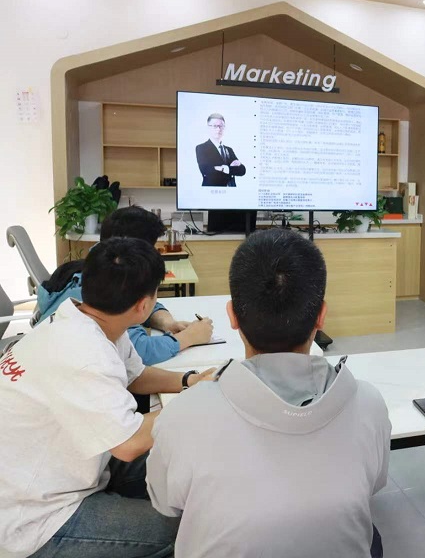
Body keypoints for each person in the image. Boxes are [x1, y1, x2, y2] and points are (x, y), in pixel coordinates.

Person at [147, 229, 391, 557]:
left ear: (232, 316)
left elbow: (165, 502)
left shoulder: (183, 415)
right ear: (321, 316)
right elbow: (375, 484)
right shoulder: (369, 404)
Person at [0, 238, 217, 558]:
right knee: (187, 529)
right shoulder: (84, 354)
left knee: (184, 464)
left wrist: (189, 381)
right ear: (144, 305)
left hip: (72, 464)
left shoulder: (85, 318)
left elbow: (135, 375)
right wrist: (198, 398)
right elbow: (128, 444)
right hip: (34, 516)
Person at [35, 206, 213, 364]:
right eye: (151, 248)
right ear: (131, 250)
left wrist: (168, 323)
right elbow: (140, 351)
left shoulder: (93, 267)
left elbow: (143, 303)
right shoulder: (110, 285)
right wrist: (189, 337)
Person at [196, 113, 246, 187]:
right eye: (215, 126)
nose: (218, 129)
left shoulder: (229, 150)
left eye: (221, 126)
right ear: (208, 127)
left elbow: (242, 170)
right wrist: (231, 169)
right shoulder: (201, 148)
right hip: (212, 190)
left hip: (232, 191)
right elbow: (208, 172)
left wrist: (224, 169)